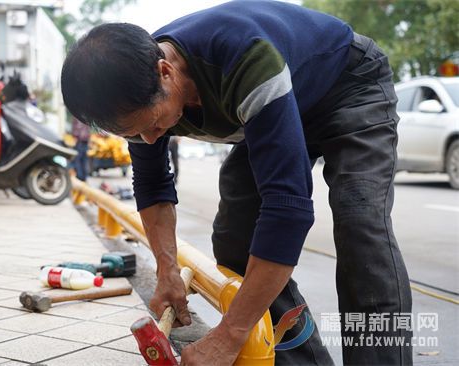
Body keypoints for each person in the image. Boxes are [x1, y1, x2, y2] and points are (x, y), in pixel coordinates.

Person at [61, 1, 413, 365]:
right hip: (278, 109)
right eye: (134, 133)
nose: (149, 139)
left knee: (360, 223)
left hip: (347, 86)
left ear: (165, 71)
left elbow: (287, 210)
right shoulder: (133, 93)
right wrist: (166, 270)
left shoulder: (244, 58)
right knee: (235, 238)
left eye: (151, 124)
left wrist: (228, 336)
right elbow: (152, 184)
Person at [71, 116, 91, 181]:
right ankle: (84, 177)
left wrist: (75, 136)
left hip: (79, 140)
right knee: (84, 160)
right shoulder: (86, 115)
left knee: (78, 160)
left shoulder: (77, 115)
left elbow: (77, 127)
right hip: (85, 140)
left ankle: (80, 177)